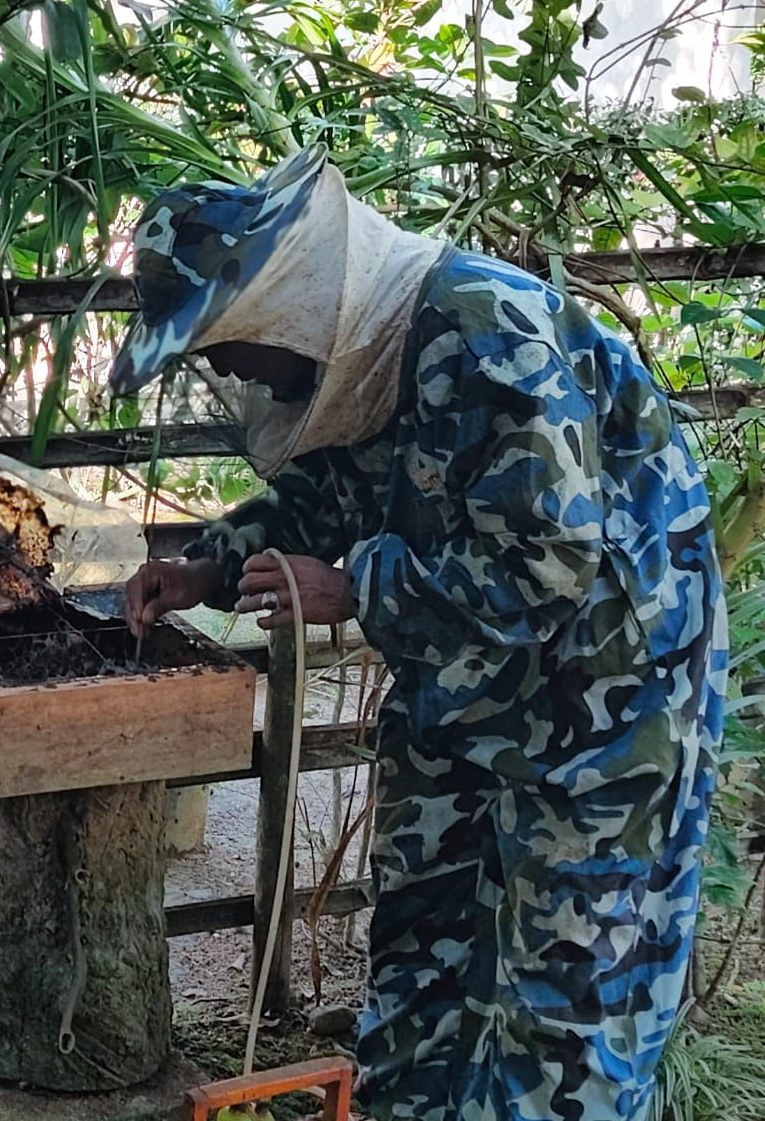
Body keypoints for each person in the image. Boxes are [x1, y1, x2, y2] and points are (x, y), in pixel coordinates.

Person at [116, 147, 724, 1121]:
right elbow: (334, 484)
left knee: (567, 1028)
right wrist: (207, 566)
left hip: (601, 727)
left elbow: (544, 571)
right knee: (422, 986)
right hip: (467, 706)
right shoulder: (376, 352)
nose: (224, 369)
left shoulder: (488, 336)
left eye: (223, 343)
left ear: (282, 305)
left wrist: (356, 587)